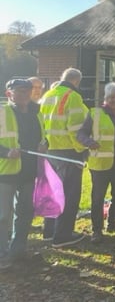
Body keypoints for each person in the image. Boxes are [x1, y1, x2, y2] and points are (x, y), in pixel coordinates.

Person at [77, 82, 115, 241]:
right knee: (98, 197)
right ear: (105, 98)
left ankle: (112, 223)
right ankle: (97, 230)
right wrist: (89, 142)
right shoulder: (95, 113)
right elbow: (81, 134)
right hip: (100, 165)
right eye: (111, 97)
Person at [40, 68, 89, 247]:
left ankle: (49, 231)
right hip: (68, 151)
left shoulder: (48, 94)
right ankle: (63, 235)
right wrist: (81, 151)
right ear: (77, 81)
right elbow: (76, 129)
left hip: (49, 150)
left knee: (53, 192)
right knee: (69, 194)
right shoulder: (73, 96)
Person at [0, 79, 45, 268]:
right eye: (19, 91)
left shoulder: (37, 112)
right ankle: (2, 255)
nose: (25, 94)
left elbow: (43, 136)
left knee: (25, 212)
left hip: (28, 171)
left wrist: (45, 145)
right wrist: (6, 152)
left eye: (27, 90)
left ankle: (18, 250)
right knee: (3, 215)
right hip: (6, 172)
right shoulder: (2, 113)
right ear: (9, 93)